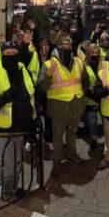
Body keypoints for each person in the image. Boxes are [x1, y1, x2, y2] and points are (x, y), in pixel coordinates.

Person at [0, 41, 36, 206]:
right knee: (9, 166)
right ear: (2, 54)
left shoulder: (22, 68)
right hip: (2, 128)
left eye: (14, 54)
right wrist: (5, 96)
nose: (11, 57)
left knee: (15, 162)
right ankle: (1, 192)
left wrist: (33, 119)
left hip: (20, 125)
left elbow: (29, 94)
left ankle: (8, 189)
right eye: (7, 54)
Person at [37, 37, 89, 167]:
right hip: (58, 108)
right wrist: (48, 75)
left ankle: (72, 155)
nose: (66, 49)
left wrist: (82, 99)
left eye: (68, 47)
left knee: (72, 133)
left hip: (76, 106)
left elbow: (85, 82)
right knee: (58, 136)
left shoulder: (79, 62)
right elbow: (41, 88)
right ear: (57, 47)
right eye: (63, 47)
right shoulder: (49, 64)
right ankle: (56, 160)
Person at [82, 43, 104, 152]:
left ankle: (108, 143)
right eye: (92, 53)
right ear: (88, 53)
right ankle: (93, 140)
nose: (95, 55)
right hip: (90, 99)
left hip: (102, 98)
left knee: (106, 122)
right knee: (92, 123)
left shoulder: (103, 64)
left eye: (97, 53)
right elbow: (82, 84)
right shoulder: (83, 66)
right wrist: (92, 95)